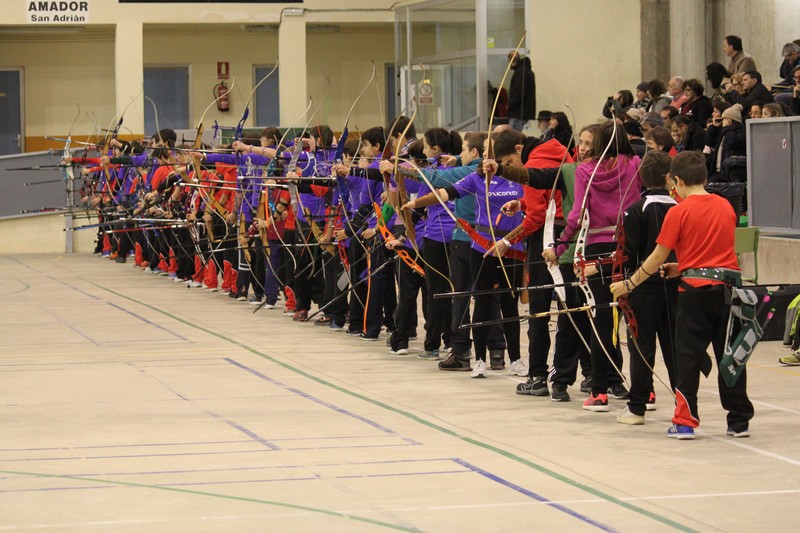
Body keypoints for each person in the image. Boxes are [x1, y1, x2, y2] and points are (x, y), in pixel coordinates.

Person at [610, 151, 754, 440]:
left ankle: (685, 422)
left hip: (694, 293)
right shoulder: (726, 206)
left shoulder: (679, 211)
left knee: (687, 356)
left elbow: (656, 257)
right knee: (730, 354)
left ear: (676, 180)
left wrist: (629, 284)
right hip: (728, 291)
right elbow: (717, 252)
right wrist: (682, 266)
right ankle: (738, 421)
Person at [614, 151, 678, 425]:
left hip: (642, 288)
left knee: (642, 348)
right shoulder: (679, 207)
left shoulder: (635, 210)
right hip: (676, 287)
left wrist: (623, 282)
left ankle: (637, 407)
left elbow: (626, 254)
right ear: (668, 178)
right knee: (675, 348)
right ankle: (685, 405)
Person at [507, 51, 536, 131]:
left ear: (510, 60)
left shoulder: (521, 72)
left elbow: (519, 92)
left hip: (518, 112)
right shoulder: (526, 71)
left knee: (513, 135)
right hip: (521, 112)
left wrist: (510, 105)